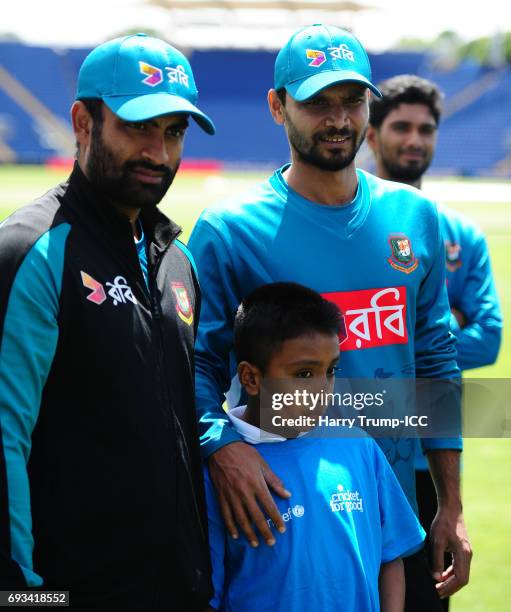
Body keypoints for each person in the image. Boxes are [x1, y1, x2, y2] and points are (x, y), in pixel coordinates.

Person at [188, 23, 472, 610]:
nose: (339, 119)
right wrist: (219, 446)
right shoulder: (229, 231)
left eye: (352, 101)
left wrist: (451, 505)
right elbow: (195, 366)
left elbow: (437, 361)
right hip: (285, 505)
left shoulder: (414, 215)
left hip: (401, 505)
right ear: (276, 106)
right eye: (317, 102)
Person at [0, 33, 215, 609]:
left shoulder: (176, 256)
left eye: (173, 132)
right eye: (139, 127)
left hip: (180, 589)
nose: (159, 152)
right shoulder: (31, 250)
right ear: (83, 121)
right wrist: (20, 595)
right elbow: (4, 438)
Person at [205, 281, 425, 612]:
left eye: (331, 370)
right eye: (304, 373)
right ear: (251, 379)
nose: (323, 389)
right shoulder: (220, 472)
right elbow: (207, 594)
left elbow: (390, 557)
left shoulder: (358, 448)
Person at [367, 73, 503, 610]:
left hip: (430, 464)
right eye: (400, 126)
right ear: (371, 136)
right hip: (355, 447)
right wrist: (433, 330)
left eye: (426, 129)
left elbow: (488, 340)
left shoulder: (462, 236)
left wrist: (392, 339)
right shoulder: (346, 224)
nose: (414, 140)